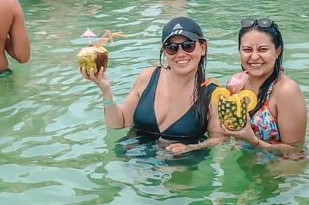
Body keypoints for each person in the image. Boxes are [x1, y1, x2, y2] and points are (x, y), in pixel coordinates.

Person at [80, 17, 224, 152]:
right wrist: (106, 90)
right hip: (133, 158)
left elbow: (219, 139)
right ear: (164, 52)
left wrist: (190, 148)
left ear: (203, 48)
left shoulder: (213, 95)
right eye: (172, 47)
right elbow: (118, 123)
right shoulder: (148, 77)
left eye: (188, 45)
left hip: (180, 166)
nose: (180, 53)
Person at [223, 18, 307, 157]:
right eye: (247, 50)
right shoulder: (235, 84)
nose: (254, 56)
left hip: (279, 169)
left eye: (263, 49)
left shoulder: (287, 91)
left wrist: (253, 141)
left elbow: (295, 151)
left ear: (277, 51)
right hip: (244, 163)